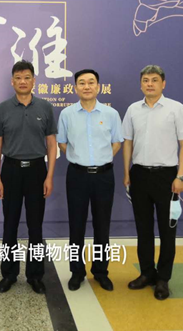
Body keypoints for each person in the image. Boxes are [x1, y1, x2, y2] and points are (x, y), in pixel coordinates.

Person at [122, 65, 183, 300]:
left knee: (167, 231)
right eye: (145, 80)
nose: (149, 84)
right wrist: (127, 172)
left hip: (167, 177)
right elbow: (128, 142)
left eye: (154, 80)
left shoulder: (176, 108)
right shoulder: (133, 110)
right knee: (143, 230)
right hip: (139, 175)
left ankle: (163, 279)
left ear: (163, 83)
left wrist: (180, 176)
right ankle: (146, 273)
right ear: (140, 84)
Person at [0, 60, 57, 294]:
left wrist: (49, 176)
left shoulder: (45, 107)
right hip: (11, 170)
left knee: (35, 226)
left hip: (37, 171)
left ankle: (35, 275)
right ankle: (8, 274)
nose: (22, 81)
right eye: (18, 78)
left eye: (27, 77)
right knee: (9, 225)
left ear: (34, 81)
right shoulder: (2, 109)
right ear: (12, 81)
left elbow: (51, 144)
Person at [57, 69, 123, 292]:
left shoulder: (111, 114)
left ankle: (101, 272)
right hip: (77, 175)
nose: (87, 86)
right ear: (75, 87)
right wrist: (80, 159)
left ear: (98, 87)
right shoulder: (67, 114)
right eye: (82, 83)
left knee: (102, 225)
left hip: (104, 176)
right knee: (76, 225)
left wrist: (101, 160)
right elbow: (62, 143)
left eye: (91, 82)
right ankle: (77, 272)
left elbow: (117, 143)